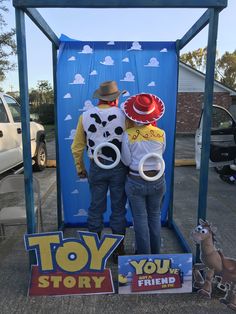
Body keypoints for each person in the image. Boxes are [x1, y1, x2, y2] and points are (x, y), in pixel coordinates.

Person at [71, 81, 128, 261]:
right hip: (119, 166)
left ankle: (94, 249)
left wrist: (80, 168)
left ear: (100, 98)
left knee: (96, 207)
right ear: (115, 99)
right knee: (118, 207)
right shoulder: (124, 115)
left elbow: (77, 146)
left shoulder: (85, 116)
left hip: (96, 165)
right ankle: (118, 248)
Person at [121, 93, 166, 255]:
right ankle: (156, 254)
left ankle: (143, 257)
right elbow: (161, 154)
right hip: (158, 180)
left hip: (135, 180)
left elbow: (126, 161)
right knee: (155, 217)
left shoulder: (127, 134)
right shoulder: (161, 133)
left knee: (140, 218)